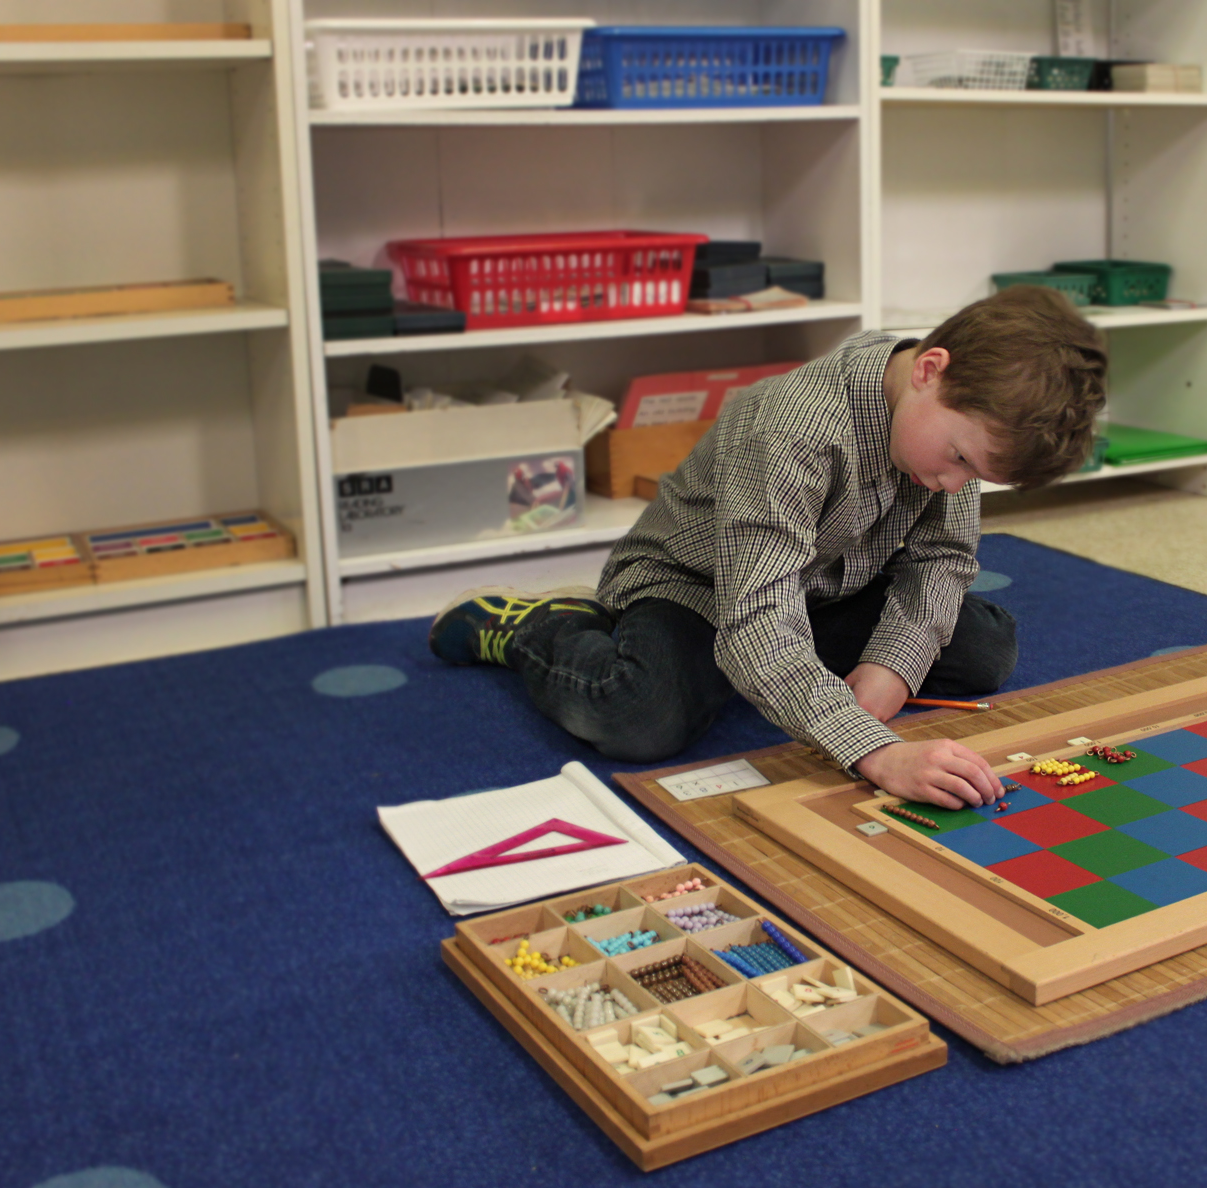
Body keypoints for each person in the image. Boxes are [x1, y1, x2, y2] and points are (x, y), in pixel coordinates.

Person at [428, 286, 1107, 808]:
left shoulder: (950, 424)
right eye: (958, 459)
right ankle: (541, 627)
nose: (955, 483)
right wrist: (871, 749)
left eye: (977, 477)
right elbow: (754, 614)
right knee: (641, 716)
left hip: (821, 587)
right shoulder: (794, 428)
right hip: (700, 588)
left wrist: (890, 671)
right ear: (930, 369)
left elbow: (943, 560)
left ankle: (779, 679)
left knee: (985, 645)